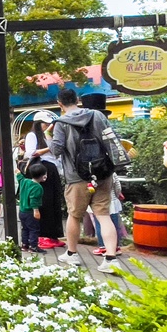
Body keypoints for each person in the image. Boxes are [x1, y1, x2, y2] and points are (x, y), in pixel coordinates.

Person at [50, 88, 121, 274]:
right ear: (78, 100)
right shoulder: (97, 115)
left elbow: (56, 150)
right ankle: (111, 258)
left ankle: (72, 254)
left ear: (60, 104)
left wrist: (49, 135)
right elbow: (112, 138)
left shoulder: (61, 123)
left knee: (74, 216)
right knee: (103, 215)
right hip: (103, 173)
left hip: (76, 177)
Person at [24, 112, 66, 248]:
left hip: (52, 169)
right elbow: (31, 152)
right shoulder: (32, 135)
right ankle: (42, 236)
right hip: (42, 168)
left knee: (55, 201)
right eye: (45, 123)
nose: (47, 126)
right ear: (37, 123)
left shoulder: (46, 135)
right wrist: (50, 148)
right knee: (45, 201)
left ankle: (53, 235)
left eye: (48, 124)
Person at [17, 161, 48, 253]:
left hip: (22, 211)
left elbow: (19, 177)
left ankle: (24, 245)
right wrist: (36, 211)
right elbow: (34, 200)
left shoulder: (25, 181)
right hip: (31, 212)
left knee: (24, 228)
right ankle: (33, 246)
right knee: (34, 229)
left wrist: (18, 171)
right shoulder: (38, 187)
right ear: (43, 176)